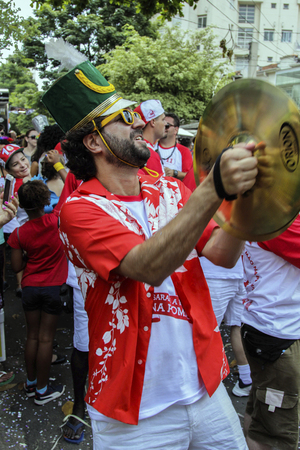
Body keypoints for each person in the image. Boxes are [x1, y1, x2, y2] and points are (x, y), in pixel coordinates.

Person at [42, 60, 258, 449]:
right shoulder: (79, 209)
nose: (140, 121)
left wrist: (246, 203)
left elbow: (222, 254)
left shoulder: (170, 190)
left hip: (205, 388)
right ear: (94, 142)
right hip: (133, 411)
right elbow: (148, 266)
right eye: (124, 117)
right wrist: (214, 188)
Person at [241, 219, 300, 450]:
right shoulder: (276, 222)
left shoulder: (269, 216)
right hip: (276, 335)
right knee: (274, 434)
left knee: (261, 411)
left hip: (270, 329)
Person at [7, 180, 67, 405]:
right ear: (45, 201)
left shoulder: (19, 233)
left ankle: (31, 384)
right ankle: (43, 391)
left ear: (22, 205)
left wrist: (25, 256)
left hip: (30, 288)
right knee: (46, 339)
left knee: (31, 336)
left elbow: (15, 267)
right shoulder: (57, 221)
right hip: (52, 289)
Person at [200, 257, 252, 397]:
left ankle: (243, 380)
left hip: (220, 273)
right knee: (233, 327)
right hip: (233, 272)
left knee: (209, 331)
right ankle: (245, 379)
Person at [156, 112, 193, 181]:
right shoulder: (151, 146)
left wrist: (175, 173)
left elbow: (189, 176)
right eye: (162, 124)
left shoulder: (184, 151)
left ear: (176, 130)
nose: (163, 128)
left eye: (167, 125)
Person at [133, 100, 165, 175]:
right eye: (163, 119)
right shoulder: (149, 154)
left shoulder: (138, 147)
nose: (165, 124)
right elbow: (157, 185)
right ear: (153, 122)